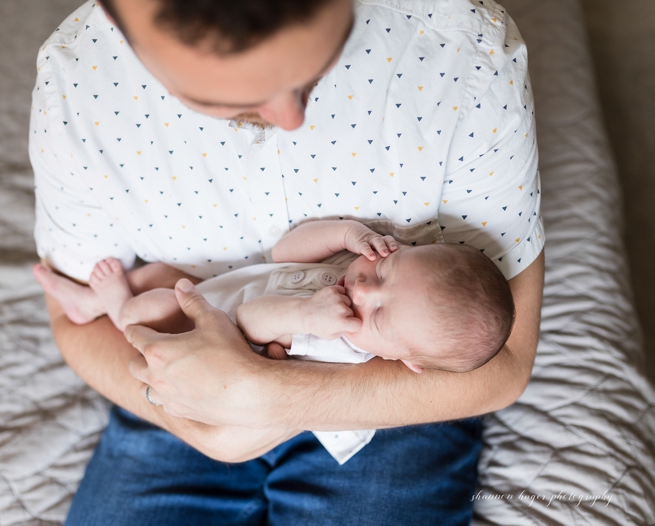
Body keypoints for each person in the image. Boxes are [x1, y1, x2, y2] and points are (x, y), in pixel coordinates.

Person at [28, 0, 544, 522]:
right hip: (179, 372)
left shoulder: (462, 52)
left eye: (317, 65)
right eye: (230, 96)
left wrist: (271, 395)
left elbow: (501, 363)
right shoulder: (78, 84)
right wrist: (199, 420)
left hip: (392, 402)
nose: (293, 119)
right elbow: (74, 325)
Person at [39, 219, 515, 464]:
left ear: (405, 360)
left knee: (151, 307)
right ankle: (86, 302)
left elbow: (249, 322)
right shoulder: (353, 274)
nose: (365, 288)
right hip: (219, 289)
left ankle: (113, 306)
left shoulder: (339, 342)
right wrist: (347, 234)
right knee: (164, 273)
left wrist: (305, 314)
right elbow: (285, 252)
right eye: (386, 269)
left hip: (205, 337)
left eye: (381, 313)